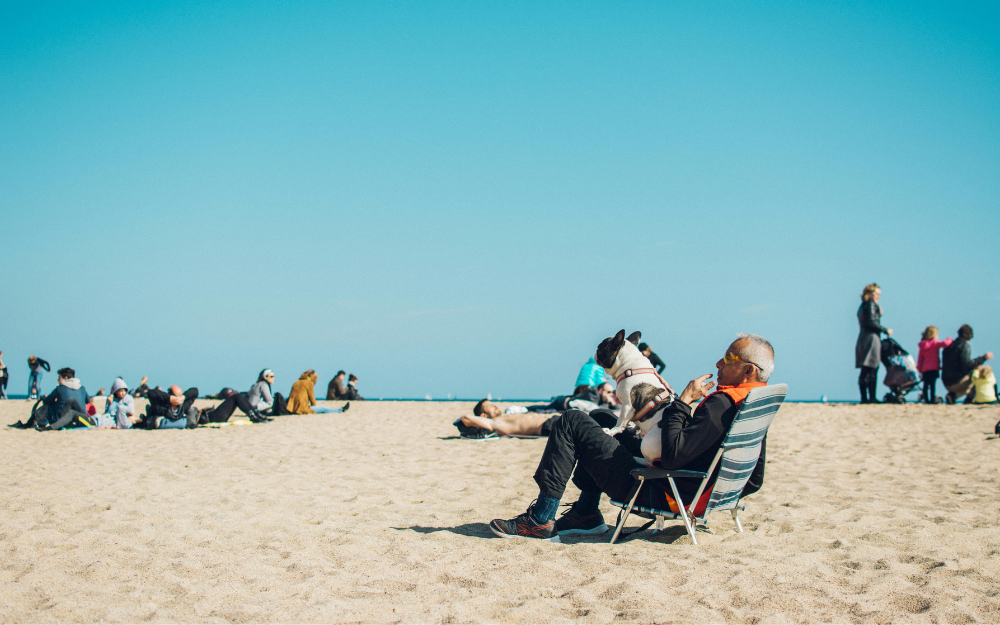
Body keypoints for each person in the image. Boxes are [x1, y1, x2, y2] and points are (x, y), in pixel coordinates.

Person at [488, 333, 774, 542]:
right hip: (688, 487)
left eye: (727, 359)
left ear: (748, 369)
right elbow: (755, 478)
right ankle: (587, 513)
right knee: (601, 418)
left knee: (571, 420)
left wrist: (683, 402)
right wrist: (719, 493)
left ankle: (540, 519)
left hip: (659, 488)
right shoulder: (753, 402)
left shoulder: (720, 405)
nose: (718, 363)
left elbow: (673, 454)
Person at [459, 399, 618, 438]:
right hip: (550, 426)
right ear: (483, 415)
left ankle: (623, 428)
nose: (494, 406)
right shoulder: (493, 422)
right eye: (489, 406)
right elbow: (465, 418)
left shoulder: (505, 415)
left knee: (597, 416)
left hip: (555, 420)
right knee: (594, 421)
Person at [855, 284, 893, 404]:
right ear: (871, 293)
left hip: (863, 337)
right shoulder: (871, 304)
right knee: (871, 369)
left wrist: (878, 313)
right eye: (877, 294)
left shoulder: (863, 305)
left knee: (865, 369)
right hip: (871, 338)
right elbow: (871, 322)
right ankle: (871, 397)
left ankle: (865, 397)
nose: (879, 296)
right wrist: (885, 330)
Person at [942, 324, 993, 404]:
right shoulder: (964, 346)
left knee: (973, 373)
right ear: (967, 335)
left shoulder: (950, 346)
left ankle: (952, 396)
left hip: (946, 381)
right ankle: (969, 398)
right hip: (957, 381)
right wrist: (983, 358)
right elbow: (966, 365)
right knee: (976, 376)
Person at [917, 326, 952, 404]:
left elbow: (920, 358)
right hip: (934, 368)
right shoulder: (935, 343)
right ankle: (932, 400)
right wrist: (949, 338)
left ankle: (926, 400)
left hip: (925, 368)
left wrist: (919, 368)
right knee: (932, 385)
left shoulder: (922, 345)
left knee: (925, 385)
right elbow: (945, 343)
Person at [526, 383, 618, 413]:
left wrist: (613, 403)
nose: (610, 394)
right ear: (601, 391)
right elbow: (596, 409)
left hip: (566, 403)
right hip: (562, 401)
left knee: (548, 409)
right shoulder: (592, 396)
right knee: (544, 408)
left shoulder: (602, 399)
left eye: (611, 392)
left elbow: (614, 409)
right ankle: (526, 408)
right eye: (608, 392)